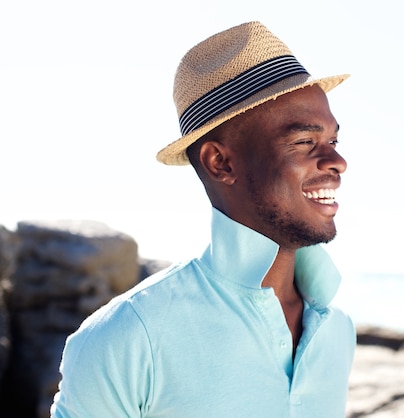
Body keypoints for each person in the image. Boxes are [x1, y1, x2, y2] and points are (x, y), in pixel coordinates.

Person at [50, 21, 355, 417]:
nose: (338, 162)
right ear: (220, 162)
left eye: (332, 141)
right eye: (303, 142)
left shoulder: (337, 331)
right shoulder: (127, 337)